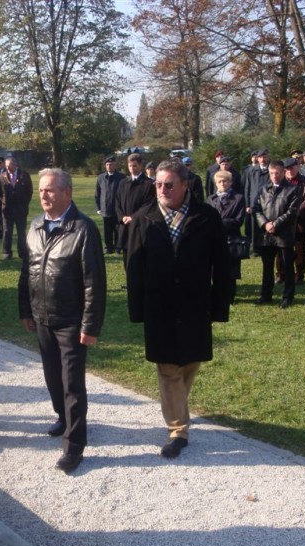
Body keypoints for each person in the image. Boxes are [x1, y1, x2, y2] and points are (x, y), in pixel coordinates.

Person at [126, 159, 230, 459]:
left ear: (185, 185)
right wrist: (138, 309)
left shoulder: (207, 217)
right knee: (169, 367)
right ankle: (178, 428)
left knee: (190, 362)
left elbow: (222, 265)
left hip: (195, 304)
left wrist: (220, 306)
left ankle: (177, 409)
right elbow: (133, 268)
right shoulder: (143, 218)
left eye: (169, 185)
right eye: (158, 184)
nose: (162, 190)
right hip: (159, 306)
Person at [19, 168, 106, 473]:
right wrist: (25, 310)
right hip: (42, 316)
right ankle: (63, 417)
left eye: (50, 190)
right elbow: (27, 271)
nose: (44, 195)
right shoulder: (35, 226)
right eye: (41, 189)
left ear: (67, 193)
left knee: (72, 384)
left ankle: (74, 445)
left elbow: (94, 282)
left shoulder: (83, 229)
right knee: (52, 376)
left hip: (71, 320)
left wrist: (90, 326)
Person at [252, 160, 300, 308]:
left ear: (283, 172)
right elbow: (256, 209)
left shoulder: (292, 190)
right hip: (266, 235)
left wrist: (275, 224)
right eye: (272, 173)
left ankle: (287, 297)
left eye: (277, 173)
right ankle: (266, 295)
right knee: (267, 267)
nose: (274, 176)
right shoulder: (263, 190)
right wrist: (265, 223)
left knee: (287, 266)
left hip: (284, 234)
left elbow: (292, 212)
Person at [207, 170, 246, 304]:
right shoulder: (211, 199)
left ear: (230, 182)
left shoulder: (239, 198)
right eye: (219, 181)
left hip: (231, 238)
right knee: (214, 270)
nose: (222, 184)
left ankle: (230, 297)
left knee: (231, 271)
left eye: (225, 181)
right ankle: (216, 295)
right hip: (214, 239)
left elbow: (238, 220)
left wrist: (219, 223)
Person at [116, 153, 156, 263]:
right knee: (127, 260)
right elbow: (117, 202)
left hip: (140, 228)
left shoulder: (148, 184)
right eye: (130, 166)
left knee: (140, 260)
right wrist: (122, 216)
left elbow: (149, 205)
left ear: (141, 165)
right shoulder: (123, 183)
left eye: (134, 166)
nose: (132, 169)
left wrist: (133, 217)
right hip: (125, 227)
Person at [283, 157, 305, 283]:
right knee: (282, 249)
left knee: (300, 250)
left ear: (297, 167)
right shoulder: (281, 181)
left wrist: (294, 213)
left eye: (292, 168)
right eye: (287, 169)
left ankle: (299, 275)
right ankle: (281, 274)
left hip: (300, 221)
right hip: (283, 222)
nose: (290, 171)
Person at [0, 156, 33, 260]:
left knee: (21, 232)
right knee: (7, 231)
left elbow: (29, 191)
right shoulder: (2, 177)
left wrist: (24, 203)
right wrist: (3, 203)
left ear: (15, 165)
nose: (7, 168)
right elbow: (0, 193)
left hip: (21, 209)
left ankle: (22, 252)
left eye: (9, 166)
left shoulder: (24, 175)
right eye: (6, 166)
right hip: (7, 209)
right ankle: (6, 252)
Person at [94, 155, 124, 253]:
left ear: (115, 165)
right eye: (107, 165)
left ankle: (118, 247)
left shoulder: (121, 177)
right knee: (107, 230)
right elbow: (97, 194)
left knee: (118, 229)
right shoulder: (101, 178)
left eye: (111, 164)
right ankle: (108, 247)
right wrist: (98, 207)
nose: (109, 166)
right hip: (105, 208)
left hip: (117, 209)